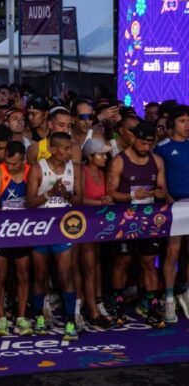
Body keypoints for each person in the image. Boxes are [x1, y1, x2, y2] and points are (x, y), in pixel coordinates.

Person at [107, 120, 170, 329]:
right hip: (124, 218)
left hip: (149, 219)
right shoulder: (119, 161)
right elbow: (110, 193)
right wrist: (133, 196)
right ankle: (117, 305)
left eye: (150, 144)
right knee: (122, 261)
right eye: (143, 143)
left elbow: (162, 188)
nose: (146, 147)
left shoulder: (157, 160)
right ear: (134, 138)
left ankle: (152, 308)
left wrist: (160, 193)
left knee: (149, 263)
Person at [26, 132, 83, 341]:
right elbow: (29, 202)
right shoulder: (37, 168)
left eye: (71, 148)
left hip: (63, 229)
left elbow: (80, 200)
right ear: (53, 149)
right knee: (40, 275)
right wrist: (50, 193)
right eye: (66, 149)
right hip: (41, 228)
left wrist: (66, 194)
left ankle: (70, 320)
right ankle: (39, 317)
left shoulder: (75, 169)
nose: (70, 153)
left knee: (65, 274)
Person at [0, 141, 33, 337]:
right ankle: (1, 318)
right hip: (3, 230)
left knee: (23, 275)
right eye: (7, 162)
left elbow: (34, 202)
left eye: (14, 163)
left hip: (24, 230)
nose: (10, 166)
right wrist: (6, 226)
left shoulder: (30, 171)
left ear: (23, 160)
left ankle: (21, 317)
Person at [155, 105, 189, 322]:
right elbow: (159, 179)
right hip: (174, 207)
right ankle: (168, 298)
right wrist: (167, 198)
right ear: (172, 123)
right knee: (172, 253)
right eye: (182, 121)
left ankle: (187, 292)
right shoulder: (162, 148)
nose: (187, 125)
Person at [80, 139, 116, 328]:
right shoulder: (83, 172)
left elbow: (108, 195)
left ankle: (97, 301)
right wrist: (99, 203)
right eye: (101, 154)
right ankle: (92, 311)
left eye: (105, 154)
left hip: (100, 226)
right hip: (84, 225)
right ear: (90, 156)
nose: (105, 157)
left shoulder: (103, 173)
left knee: (96, 264)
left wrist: (109, 198)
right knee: (89, 268)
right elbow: (78, 199)